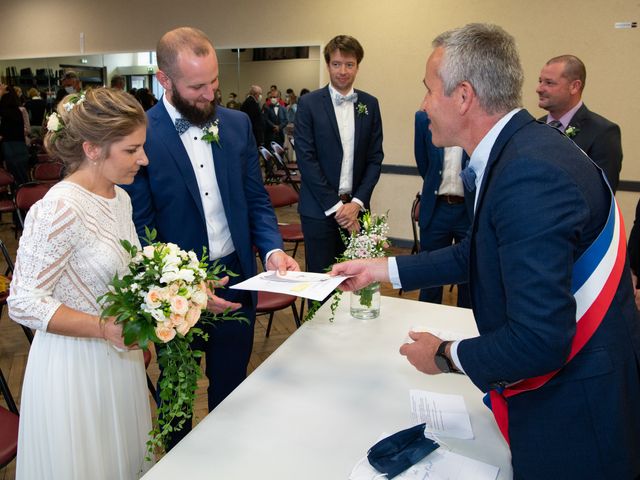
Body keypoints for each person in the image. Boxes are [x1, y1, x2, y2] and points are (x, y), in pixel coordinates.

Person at [332, 23, 640, 479]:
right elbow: (478, 253)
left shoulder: (528, 174)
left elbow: (539, 342)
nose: (423, 105)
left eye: (428, 90)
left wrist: (443, 355)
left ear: (463, 96)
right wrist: (383, 270)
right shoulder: (522, 150)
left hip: (578, 416)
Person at [123, 27, 299, 449]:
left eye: (214, 82)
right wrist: (184, 286)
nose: (210, 94)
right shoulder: (141, 135)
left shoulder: (236, 125)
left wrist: (273, 250)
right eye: (197, 86)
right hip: (175, 292)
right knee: (178, 392)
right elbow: (142, 230)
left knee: (231, 384)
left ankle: (228, 457)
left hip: (236, 278)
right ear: (164, 80)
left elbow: (256, 200)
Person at [7, 88, 153, 479]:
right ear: (92, 149)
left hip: (118, 356)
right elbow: (23, 301)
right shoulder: (57, 208)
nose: (144, 159)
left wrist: (181, 292)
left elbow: (132, 268)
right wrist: (102, 328)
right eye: (131, 150)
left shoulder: (120, 198)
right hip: (73, 366)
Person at [294, 34, 384, 274]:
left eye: (349, 64)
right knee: (321, 282)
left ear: (357, 66)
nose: (343, 71)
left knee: (356, 281)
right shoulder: (308, 104)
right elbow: (306, 160)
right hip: (319, 211)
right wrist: (336, 208)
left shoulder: (370, 104)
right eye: (336, 64)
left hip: (357, 210)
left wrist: (356, 203)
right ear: (328, 65)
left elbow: (375, 159)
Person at [537, 55, 623, 192]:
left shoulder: (603, 132)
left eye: (549, 83)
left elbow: (602, 194)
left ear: (574, 87)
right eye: (540, 81)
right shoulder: (534, 128)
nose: (539, 89)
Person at [414, 109, 472, 307]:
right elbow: (423, 163)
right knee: (429, 274)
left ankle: (466, 330)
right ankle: (425, 327)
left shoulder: (476, 116)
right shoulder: (424, 118)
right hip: (436, 208)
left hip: (468, 211)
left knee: (469, 277)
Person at [0, 86, 30, 185]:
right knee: (22, 175)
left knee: (13, 176)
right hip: (20, 144)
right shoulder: (18, 110)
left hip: (8, 145)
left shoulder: (3, 112)